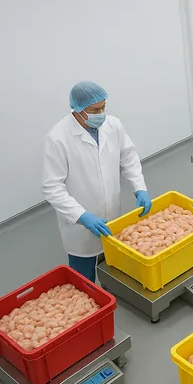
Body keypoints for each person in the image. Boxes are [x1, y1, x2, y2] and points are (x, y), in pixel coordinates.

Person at [42, 82, 152, 282]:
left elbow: (129, 157)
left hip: (112, 214)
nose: (100, 114)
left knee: (113, 269)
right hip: (80, 225)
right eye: (94, 110)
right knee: (83, 280)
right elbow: (52, 187)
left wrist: (140, 188)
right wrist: (82, 216)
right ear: (77, 109)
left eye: (103, 107)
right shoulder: (58, 138)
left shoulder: (113, 125)